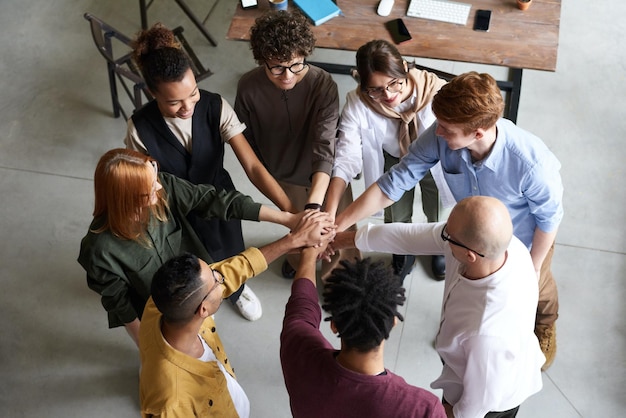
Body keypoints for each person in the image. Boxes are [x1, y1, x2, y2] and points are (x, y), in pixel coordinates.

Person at [335, 72, 563, 370]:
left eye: (446, 128)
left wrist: (531, 269)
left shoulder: (532, 164)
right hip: (469, 235)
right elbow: (395, 182)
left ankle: (545, 324)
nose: (437, 132)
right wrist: (338, 225)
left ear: (478, 132)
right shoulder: (441, 134)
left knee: (539, 290)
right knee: (472, 292)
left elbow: (550, 219)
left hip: (524, 239)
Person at [124, 23, 294, 321]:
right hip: (176, 210)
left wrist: (291, 213)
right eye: (174, 101)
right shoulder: (139, 128)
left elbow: (253, 166)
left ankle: (236, 289)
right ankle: (202, 297)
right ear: (152, 93)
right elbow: (144, 184)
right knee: (188, 262)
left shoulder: (215, 106)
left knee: (230, 247)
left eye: (193, 93)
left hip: (221, 198)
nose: (187, 106)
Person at [331, 196, 545, 417]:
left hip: (491, 400)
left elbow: (476, 406)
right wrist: (338, 240)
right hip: (473, 361)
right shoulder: (499, 247)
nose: (442, 235)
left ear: (470, 255)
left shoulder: (485, 333)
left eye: (447, 235)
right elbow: (409, 237)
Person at [77, 148, 305, 346]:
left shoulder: (163, 186)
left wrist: (285, 218)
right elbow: (121, 306)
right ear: (125, 199)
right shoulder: (99, 250)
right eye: (148, 189)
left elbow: (213, 201)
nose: (159, 185)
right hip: (160, 313)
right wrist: (147, 346)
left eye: (154, 176)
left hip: (198, 283)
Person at [140, 211, 333, 418]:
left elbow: (234, 269)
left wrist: (293, 241)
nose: (221, 277)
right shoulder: (172, 403)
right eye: (216, 280)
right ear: (203, 309)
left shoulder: (162, 302)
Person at [234, 10, 359, 281]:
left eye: (296, 65)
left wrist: (314, 208)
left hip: (324, 175)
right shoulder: (247, 88)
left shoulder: (322, 83)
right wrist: (299, 216)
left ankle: (338, 276)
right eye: (277, 67)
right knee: (296, 231)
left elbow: (325, 146)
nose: (287, 76)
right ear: (262, 61)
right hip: (283, 175)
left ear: (305, 55)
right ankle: (297, 258)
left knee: (334, 227)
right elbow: (250, 147)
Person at [326, 39, 449, 281]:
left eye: (394, 84)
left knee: (437, 208)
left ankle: (438, 245)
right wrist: (331, 215)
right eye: (376, 89)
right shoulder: (358, 102)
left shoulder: (436, 90)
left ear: (404, 67)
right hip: (393, 159)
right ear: (364, 85)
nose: (389, 95)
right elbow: (346, 156)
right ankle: (402, 252)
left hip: (434, 161)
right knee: (396, 214)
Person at [280, 247, 446, 417]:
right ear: (393, 322)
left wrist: (308, 255)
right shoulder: (422, 409)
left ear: (334, 325)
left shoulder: (297, 348)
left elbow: (301, 307)